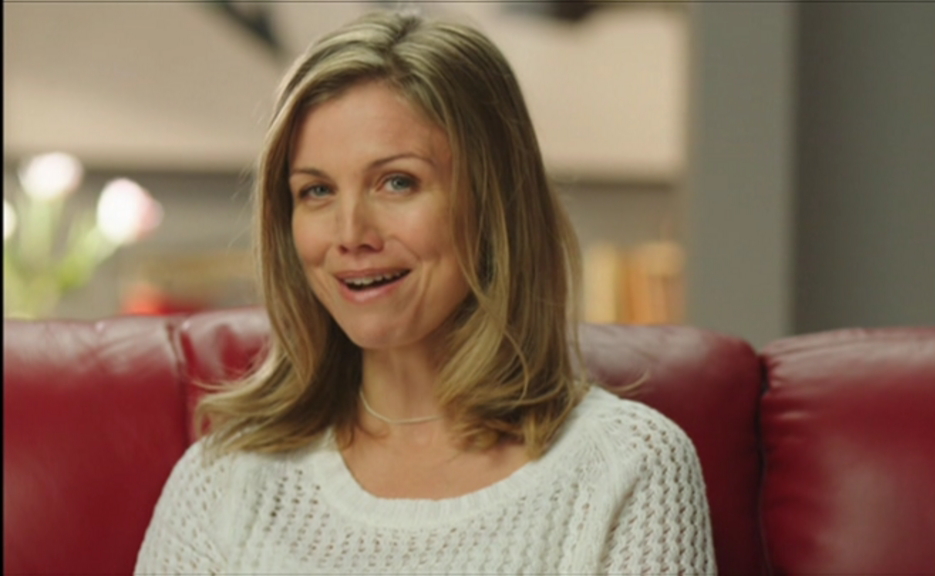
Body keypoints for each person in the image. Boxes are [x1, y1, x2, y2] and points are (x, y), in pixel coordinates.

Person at [135, 10, 715, 575]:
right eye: (316, 191)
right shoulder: (223, 482)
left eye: (397, 182)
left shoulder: (629, 466)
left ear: (493, 204)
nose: (350, 233)